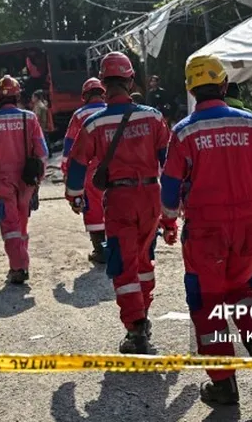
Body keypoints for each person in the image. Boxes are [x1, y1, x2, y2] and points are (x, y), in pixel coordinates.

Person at [161, 55, 252, 404]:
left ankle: (223, 383)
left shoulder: (184, 131)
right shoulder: (251, 123)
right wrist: (246, 183)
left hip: (205, 233)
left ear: (191, 90)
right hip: (248, 228)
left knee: (207, 304)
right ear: (224, 86)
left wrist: (170, 217)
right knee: (242, 292)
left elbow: (169, 191)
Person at [65, 52, 170, 354]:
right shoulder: (153, 116)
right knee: (144, 261)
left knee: (123, 265)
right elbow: (170, 160)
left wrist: (74, 195)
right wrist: (175, 204)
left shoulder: (94, 123)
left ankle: (136, 328)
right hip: (151, 197)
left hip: (120, 200)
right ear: (130, 80)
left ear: (103, 83)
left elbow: (77, 165)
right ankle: (143, 314)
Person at [0, 75, 48, 284]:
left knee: (9, 223)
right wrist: (37, 178)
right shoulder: (30, 118)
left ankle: (18, 267)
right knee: (22, 223)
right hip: (26, 179)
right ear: (18, 95)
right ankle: (21, 263)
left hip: (4, 180)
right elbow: (42, 153)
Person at [61, 78, 108, 264]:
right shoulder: (112, 111)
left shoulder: (79, 115)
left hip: (89, 171)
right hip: (115, 168)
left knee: (93, 208)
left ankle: (100, 250)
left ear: (85, 96)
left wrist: (66, 170)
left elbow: (69, 146)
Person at [32, 91, 53, 157]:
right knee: (46, 139)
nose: (32, 98)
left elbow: (37, 117)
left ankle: (46, 153)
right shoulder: (43, 103)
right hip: (43, 125)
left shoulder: (38, 106)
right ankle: (49, 152)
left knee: (42, 140)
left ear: (36, 98)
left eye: (33, 97)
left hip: (40, 125)